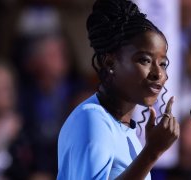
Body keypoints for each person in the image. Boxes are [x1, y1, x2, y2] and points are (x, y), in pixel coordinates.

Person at [57, 0, 180, 179]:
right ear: (110, 62)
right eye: (145, 60)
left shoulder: (127, 131)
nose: (158, 73)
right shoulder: (93, 119)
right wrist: (152, 153)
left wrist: (150, 151)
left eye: (163, 64)